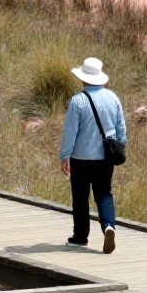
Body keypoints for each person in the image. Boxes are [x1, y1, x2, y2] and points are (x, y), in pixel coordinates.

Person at [59, 57, 126, 254]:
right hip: (105, 157)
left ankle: (80, 237)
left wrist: (65, 156)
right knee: (104, 193)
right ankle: (109, 225)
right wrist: (120, 145)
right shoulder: (112, 98)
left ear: (83, 79)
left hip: (81, 158)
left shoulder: (78, 101)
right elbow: (121, 127)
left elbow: (70, 132)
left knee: (80, 197)